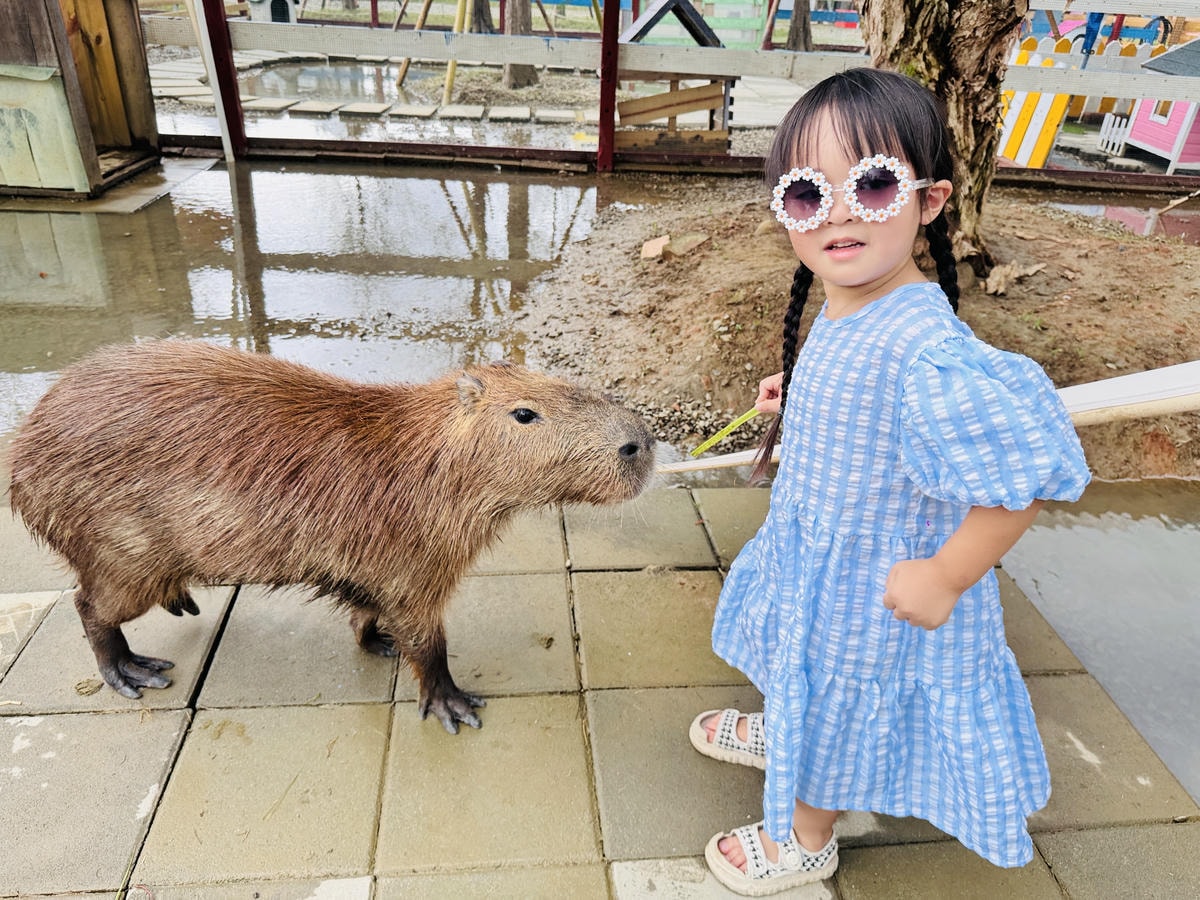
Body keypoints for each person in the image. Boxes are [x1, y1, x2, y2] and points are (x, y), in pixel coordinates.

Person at [689, 67, 1091, 895]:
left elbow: (1016, 481)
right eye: (808, 193)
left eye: (872, 185)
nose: (839, 211)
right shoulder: (848, 301)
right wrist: (797, 392)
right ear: (786, 214)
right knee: (795, 660)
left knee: (840, 704)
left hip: (874, 591)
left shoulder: (929, 353)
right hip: (818, 555)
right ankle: (786, 727)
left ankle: (805, 840)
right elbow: (856, 394)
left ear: (930, 201)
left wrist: (947, 575)